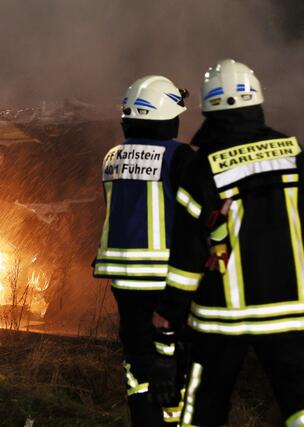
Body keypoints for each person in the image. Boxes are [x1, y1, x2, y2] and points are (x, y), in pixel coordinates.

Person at [156, 59, 304, 427]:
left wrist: (170, 312)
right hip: (289, 307)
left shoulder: (203, 165)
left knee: (205, 404)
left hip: (223, 316)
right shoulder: (293, 152)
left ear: (208, 107)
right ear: (257, 101)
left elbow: (189, 252)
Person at [93, 75, 193, 426]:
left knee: (139, 360)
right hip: (167, 276)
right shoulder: (179, 156)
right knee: (177, 357)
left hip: (125, 280)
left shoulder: (111, 157)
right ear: (167, 116)